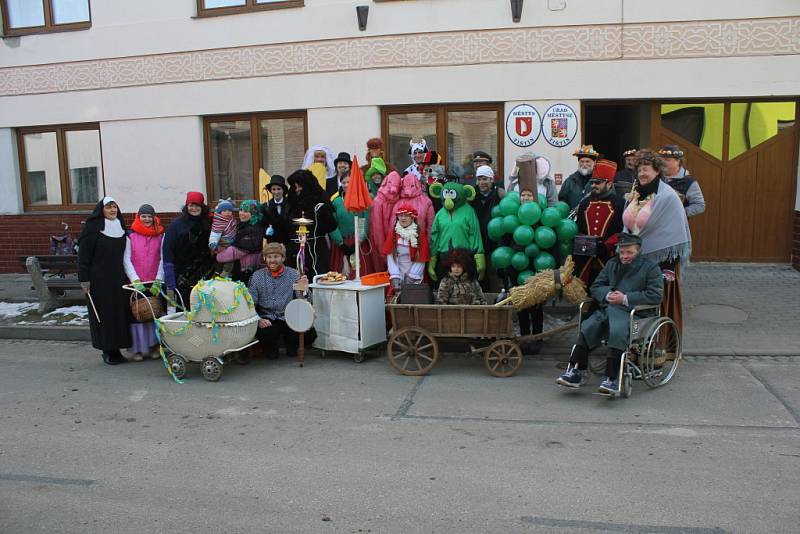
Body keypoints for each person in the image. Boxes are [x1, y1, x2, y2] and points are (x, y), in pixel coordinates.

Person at [557, 232, 663, 393]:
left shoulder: (650, 268)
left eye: (629, 252)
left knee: (617, 331)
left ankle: (611, 378)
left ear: (638, 251)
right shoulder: (612, 264)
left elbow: (655, 295)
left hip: (634, 312)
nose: (625, 256)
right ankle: (575, 370)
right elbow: (596, 286)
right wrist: (608, 294)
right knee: (588, 326)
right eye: (622, 252)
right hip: (608, 308)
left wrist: (625, 298)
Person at [623, 148, 692, 334]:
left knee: (655, 307)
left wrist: (668, 268)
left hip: (662, 263)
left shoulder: (668, 196)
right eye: (639, 169)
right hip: (635, 259)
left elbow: (676, 232)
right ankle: (633, 345)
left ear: (657, 171)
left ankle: (659, 349)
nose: (642, 173)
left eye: (647, 168)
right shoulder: (636, 194)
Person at [78, 197, 132, 365]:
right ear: (101, 210)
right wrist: (84, 280)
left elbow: (125, 257)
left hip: (118, 279)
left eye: (115, 207)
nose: (112, 210)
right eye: (109, 207)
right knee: (104, 315)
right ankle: (107, 350)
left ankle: (117, 349)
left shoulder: (121, 228)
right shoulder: (92, 228)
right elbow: (83, 257)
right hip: (98, 280)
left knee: (118, 314)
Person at [248, 242, 307, 359]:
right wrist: (258, 320)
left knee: (294, 350)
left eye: (276, 256)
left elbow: (303, 300)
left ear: (283, 258)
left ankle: (291, 344)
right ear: (265, 258)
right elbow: (250, 304)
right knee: (270, 348)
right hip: (268, 316)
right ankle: (271, 348)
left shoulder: (293, 274)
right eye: (269, 257)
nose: (272, 260)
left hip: (288, 316)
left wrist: (304, 289)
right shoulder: (257, 276)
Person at [573, 159, 626, 286]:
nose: (593, 185)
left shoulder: (619, 203)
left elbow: (623, 230)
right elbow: (579, 227)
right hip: (586, 260)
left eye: (598, 182)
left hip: (608, 258)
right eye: (592, 182)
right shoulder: (585, 203)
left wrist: (605, 246)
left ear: (609, 183)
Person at [123, 204, 164, 361]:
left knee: (154, 314)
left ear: (154, 217)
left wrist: (159, 279)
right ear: (138, 217)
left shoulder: (160, 235)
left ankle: (154, 346)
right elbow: (126, 259)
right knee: (137, 314)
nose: (147, 219)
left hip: (154, 282)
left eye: (149, 216)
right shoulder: (130, 236)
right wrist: (135, 280)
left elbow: (162, 258)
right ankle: (138, 349)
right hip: (137, 283)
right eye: (143, 216)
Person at [163, 191, 214, 308]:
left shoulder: (209, 222)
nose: (194, 208)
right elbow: (168, 249)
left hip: (206, 273)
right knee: (185, 308)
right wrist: (169, 274)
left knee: (205, 309)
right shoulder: (176, 225)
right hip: (183, 275)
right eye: (191, 205)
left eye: (197, 205)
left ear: (202, 206)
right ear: (186, 206)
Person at [285, 169, 338, 278]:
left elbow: (331, 226)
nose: (297, 190)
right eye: (295, 187)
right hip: (295, 251)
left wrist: (322, 213)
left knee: (317, 279)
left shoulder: (319, 205)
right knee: (296, 282)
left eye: (300, 187)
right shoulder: (292, 203)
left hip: (315, 250)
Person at [329, 174, 373, 279]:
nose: (346, 185)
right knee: (341, 276)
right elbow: (332, 223)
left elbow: (364, 220)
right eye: (343, 183)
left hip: (359, 244)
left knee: (361, 274)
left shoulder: (362, 199)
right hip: (341, 244)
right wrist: (340, 243)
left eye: (349, 182)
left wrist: (358, 241)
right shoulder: (336, 201)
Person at [216, 199, 265, 282]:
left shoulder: (253, 229)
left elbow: (235, 252)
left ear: (254, 214)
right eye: (241, 210)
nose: (241, 213)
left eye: (246, 211)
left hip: (246, 272)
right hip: (241, 270)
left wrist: (218, 255)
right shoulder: (242, 225)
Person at [383, 204, 430, 289]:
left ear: (412, 218)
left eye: (406, 216)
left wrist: (412, 276)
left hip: (414, 272)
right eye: (401, 215)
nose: (403, 218)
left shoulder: (419, 236)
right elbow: (390, 256)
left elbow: (421, 259)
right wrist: (395, 275)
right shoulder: (393, 234)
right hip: (398, 270)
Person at [658, 145, 706, 217]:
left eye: (667, 160)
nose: (662, 162)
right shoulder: (656, 177)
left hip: (676, 226)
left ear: (678, 161)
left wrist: (681, 212)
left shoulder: (689, 182)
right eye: (661, 160)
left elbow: (700, 205)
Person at [470, 164, 505, 264]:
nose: (481, 183)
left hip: (495, 243)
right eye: (479, 179)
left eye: (484, 179)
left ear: (491, 179)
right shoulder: (471, 195)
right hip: (476, 242)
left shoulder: (500, 194)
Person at [369, 170, 403, 271]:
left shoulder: (399, 200)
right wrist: (383, 253)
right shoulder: (379, 202)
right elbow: (377, 230)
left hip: (396, 249)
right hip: (382, 249)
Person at [559, 144, 600, 209]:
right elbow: (562, 201)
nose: (584, 164)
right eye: (582, 161)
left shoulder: (601, 181)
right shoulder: (569, 181)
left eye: (587, 161)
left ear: (594, 162)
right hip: (572, 218)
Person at [260, 174, 292, 247]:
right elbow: (262, 225)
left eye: (279, 189)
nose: (276, 192)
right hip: (272, 243)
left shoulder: (290, 205)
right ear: (271, 190)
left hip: (287, 242)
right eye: (274, 189)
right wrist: (266, 231)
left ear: (283, 190)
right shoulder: (265, 207)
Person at [209, 199, 238, 275]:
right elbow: (214, 234)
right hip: (222, 245)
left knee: (229, 260)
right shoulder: (218, 222)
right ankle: (219, 273)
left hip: (231, 245)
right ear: (219, 212)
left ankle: (226, 272)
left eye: (229, 211)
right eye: (224, 211)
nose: (227, 213)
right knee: (222, 259)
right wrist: (213, 242)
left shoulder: (232, 220)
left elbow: (234, 230)